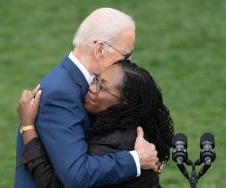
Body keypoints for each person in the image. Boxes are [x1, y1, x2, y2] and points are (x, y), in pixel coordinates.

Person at [15, 8, 160, 188]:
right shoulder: (61, 94)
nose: (128, 63)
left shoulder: (86, 85)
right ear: (99, 49)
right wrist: (136, 160)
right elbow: (76, 175)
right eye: (126, 55)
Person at [17, 60, 174, 188]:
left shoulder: (115, 142)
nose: (92, 88)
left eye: (102, 87)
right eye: (96, 79)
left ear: (124, 103)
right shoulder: (129, 123)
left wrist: (28, 126)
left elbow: (53, 184)